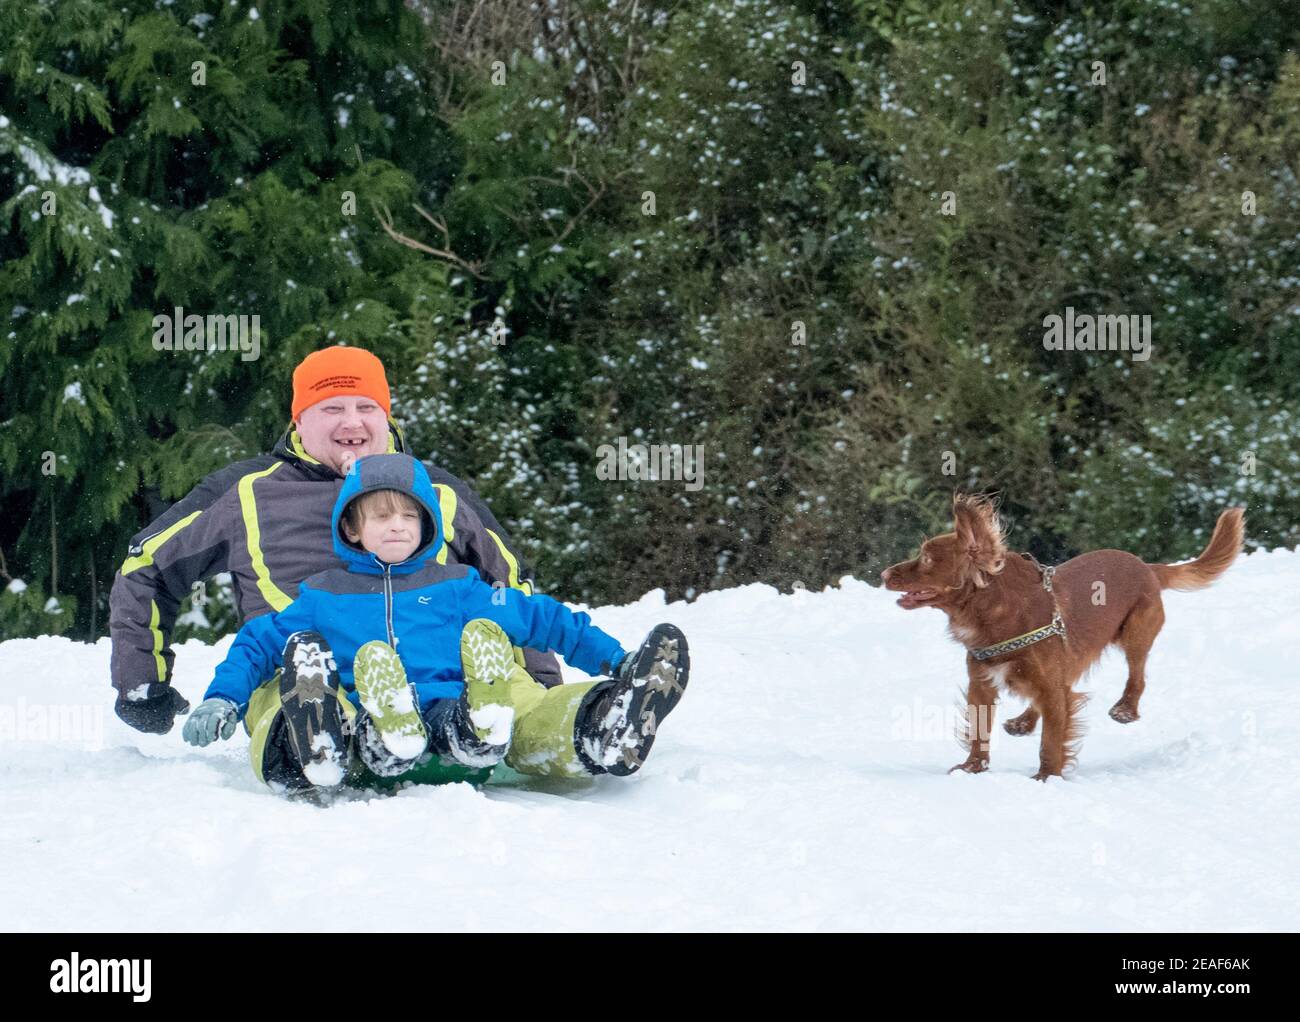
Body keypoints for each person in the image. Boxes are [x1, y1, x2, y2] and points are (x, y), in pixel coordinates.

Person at [109, 347, 562, 737]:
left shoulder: (433, 490)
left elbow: (508, 583)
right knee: (300, 698)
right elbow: (146, 567)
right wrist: (143, 686)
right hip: (303, 670)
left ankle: (577, 726)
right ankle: (319, 739)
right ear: (299, 420)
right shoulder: (248, 491)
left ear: (386, 417)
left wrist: (542, 684)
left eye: (366, 407)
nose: (352, 422)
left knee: (520, 703)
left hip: (440, 672)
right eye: (331, 408)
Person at [181, 453, 690, 794]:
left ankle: (606, 722)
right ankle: (327, 740)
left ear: (427, 525)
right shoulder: (322, 594)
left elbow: (541, 618)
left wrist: (617, 660)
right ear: (353, 529)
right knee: (309, 663)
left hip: (451, 723)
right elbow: (257, 643)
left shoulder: (459, 586)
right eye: (381, 517)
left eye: (409, 516)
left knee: (494, 685)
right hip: (365, 728)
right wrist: (225, 696)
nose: (397, 525)